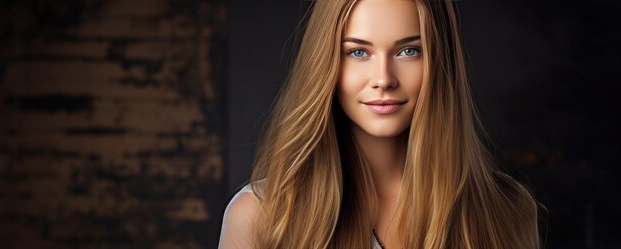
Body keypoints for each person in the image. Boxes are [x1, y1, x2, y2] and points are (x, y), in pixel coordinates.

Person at [219, 0, 540, 248]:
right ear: (325, 62)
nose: (383, 79)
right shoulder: (261, 216)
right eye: (358, 52)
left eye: (409, 51)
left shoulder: (506, 209)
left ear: (441, 63)